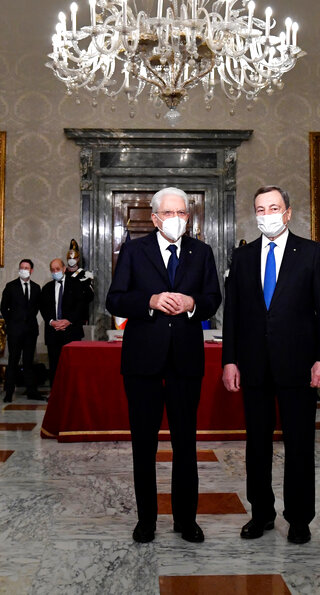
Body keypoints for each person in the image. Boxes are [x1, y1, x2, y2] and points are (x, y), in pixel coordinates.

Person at [107, 186, 221, 545]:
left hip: (186, 360)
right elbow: (115, 299)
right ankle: (146, 521)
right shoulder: (133, 250)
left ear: (189, 217)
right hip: (142, 361)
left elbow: (213, 298)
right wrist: (151, 300)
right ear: (155, 218)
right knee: (144, 444)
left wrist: (191, 304)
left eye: (182, 212)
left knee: (186, 443)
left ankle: (187, 520)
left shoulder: (202, 252)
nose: (176, 219)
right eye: (169, 213)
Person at [222, 185, 320, 545]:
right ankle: (261, 513)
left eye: (273, 207)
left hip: (299, 365)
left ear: (288, 212)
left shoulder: (311, 253)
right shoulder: (242, 257)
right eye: (260, 209)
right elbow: (233, 314)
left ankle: (299, 518)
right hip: (253, 365)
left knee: (299, 443)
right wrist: (229, 360)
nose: (267, 214)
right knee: (257, 444)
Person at [0, 259, 45, 402]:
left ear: (31, 270)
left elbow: (38, 307)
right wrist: (11, 323)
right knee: (13, 361)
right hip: (15, 331)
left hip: (30, 331)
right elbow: (3, 307)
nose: (24, 269)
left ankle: (31, 391)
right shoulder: (11, 286)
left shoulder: (36, 288)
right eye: (22, 267)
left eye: (26, 267)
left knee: (28, 362)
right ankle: (9, 392)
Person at [39, 258, 86, 388]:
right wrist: (51, 322)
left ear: (64, 269)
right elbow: (43, 308)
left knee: (72, 366)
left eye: (57, 269)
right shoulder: (47, 288)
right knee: (54, 367)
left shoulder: (76, 284)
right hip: (53, 333)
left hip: (72, 332)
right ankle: (55, 394)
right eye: (52, 270)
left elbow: (81, 306)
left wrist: (69, 320)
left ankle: (73, 393)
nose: (55, 272)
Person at [64, 239, 95, 331]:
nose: (71, 260)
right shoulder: (63, 274)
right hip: (64, 315)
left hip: (80, 315)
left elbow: (90, 297)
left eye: (74, 258)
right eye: (70, 258)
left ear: (78, 259)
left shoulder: (85, 275)